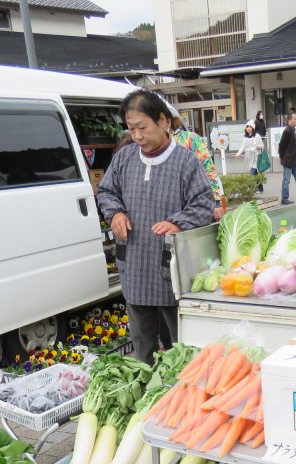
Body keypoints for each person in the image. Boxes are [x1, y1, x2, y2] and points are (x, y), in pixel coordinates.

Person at [97, 90, 214, 365]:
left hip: (170, 269)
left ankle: (181, 393)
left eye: (142, 127)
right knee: (143, 347)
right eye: (131, 128)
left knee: (179, 346)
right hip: (135, 266)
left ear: (162, 121)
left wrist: (178, 222)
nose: (137, 136)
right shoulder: (124, 158)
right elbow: (106, 192)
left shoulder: (186, 162)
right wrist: (115, 214)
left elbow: (203, 204)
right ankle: (147, 394)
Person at [170, 114, 224, 220]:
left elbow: (208, 167)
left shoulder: (190, 138)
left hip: (195, 203)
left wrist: (216, 202)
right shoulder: (154, 145)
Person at [235, 121, 264, 193]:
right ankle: (260, 188)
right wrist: (238, 154)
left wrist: (257, 146)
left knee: (252, 173)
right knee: (256, 174)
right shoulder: (245, 137)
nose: (248, 128)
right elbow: (243, 146)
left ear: (253, 128)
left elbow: (262, 146)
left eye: (250, 127)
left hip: (256, 157)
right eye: (247, 127)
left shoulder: (257, 136)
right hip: (249, 157)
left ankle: (250, 189)